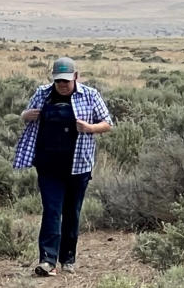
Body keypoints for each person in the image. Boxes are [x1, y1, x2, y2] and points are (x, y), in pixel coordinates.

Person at [14, 57, 112, 276]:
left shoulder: (90, 95)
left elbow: (107, 123)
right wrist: (24, 115)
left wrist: (90, 127)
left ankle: (68, 258)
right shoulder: (42, 93)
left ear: (76, 76)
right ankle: (47, 260)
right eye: (59, 81)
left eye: (66, 81)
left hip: (79, 165)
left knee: (71, 213)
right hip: (48, 165)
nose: (63, 85)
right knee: (51, 210)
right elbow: (26, 115)